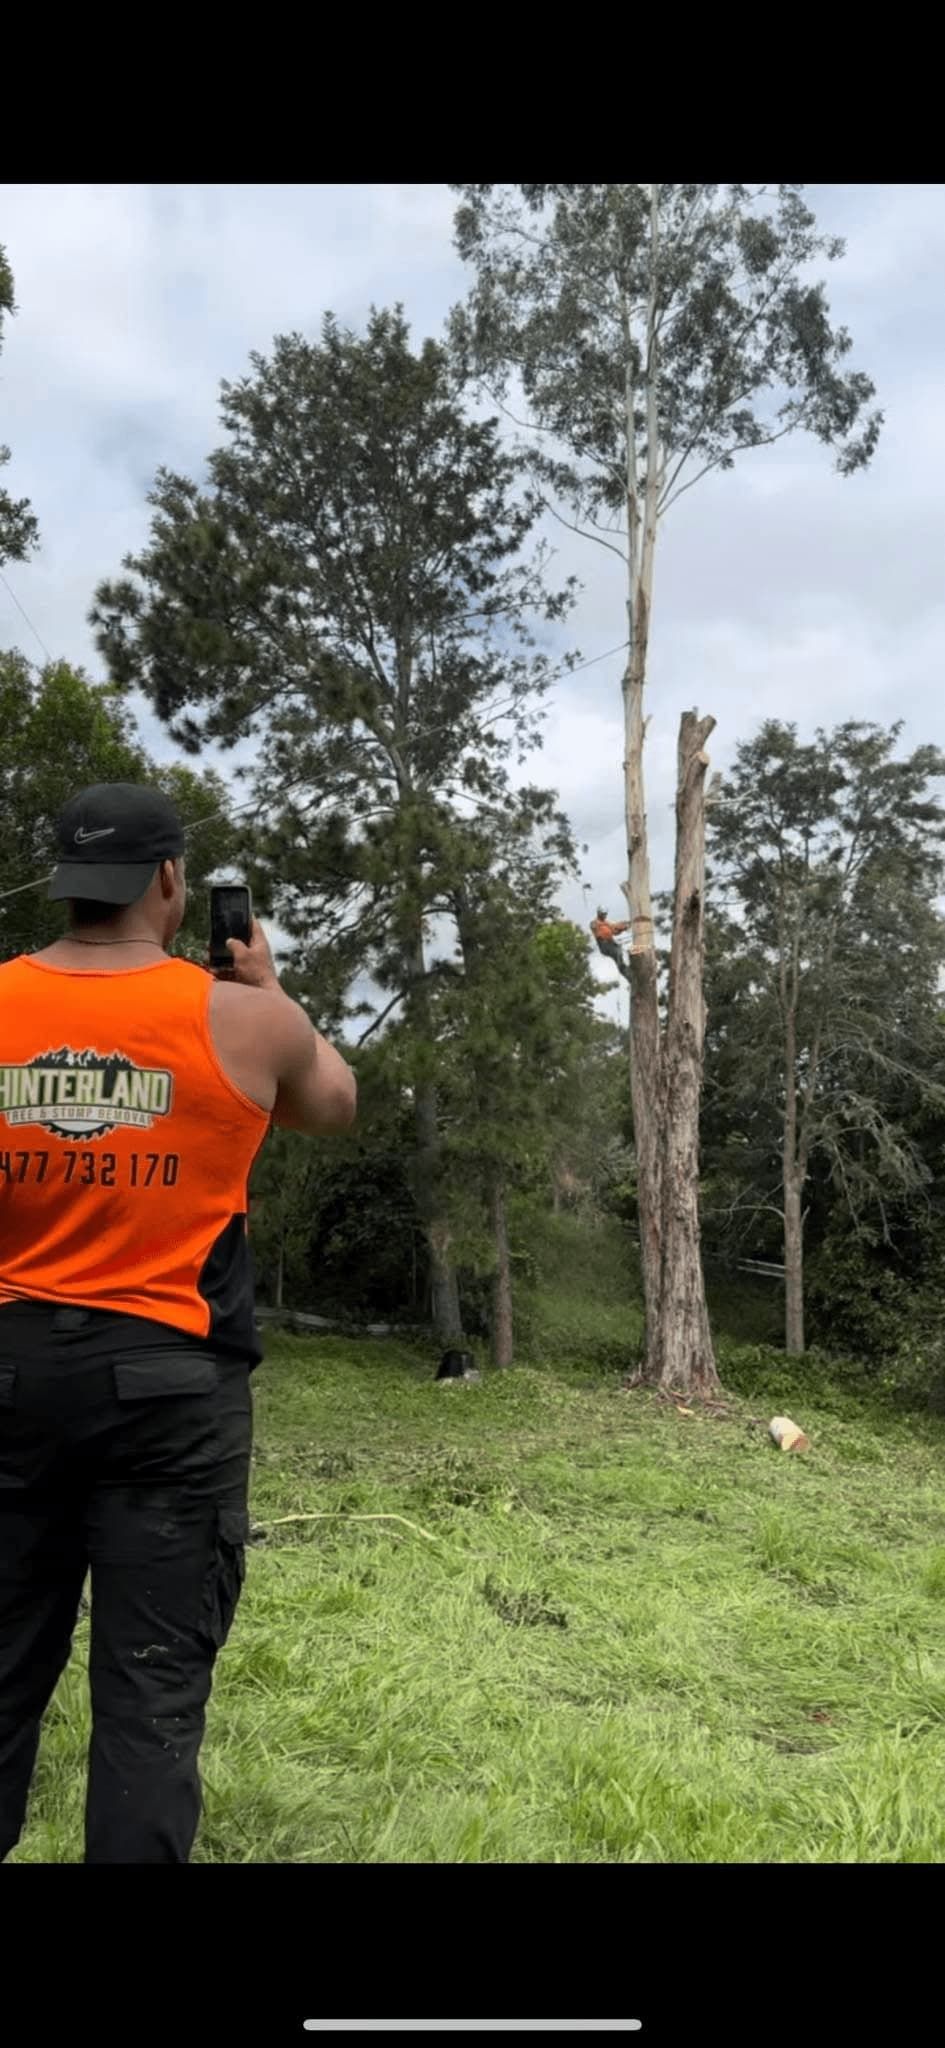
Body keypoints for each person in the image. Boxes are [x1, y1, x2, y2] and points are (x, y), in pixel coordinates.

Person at [0, 781, 356, 1864]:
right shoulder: (249, 1020)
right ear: (169, 882)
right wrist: (272, 986)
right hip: (170, 1392)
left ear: (67, 881)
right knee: (152, 1695)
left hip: (10, 1377)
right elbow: (332, 1104)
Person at [589, 906, 632, 983]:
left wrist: (622, 928)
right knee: (618, 952)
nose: (605, 916)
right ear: (599, 913)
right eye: (603, 914)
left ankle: (629, 975)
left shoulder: (606, 923)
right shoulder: (594, 923)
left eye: (605, 914)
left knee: (620, 957)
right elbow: (602, 933)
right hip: (605, 946)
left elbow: (614, 931)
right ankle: (626, 970)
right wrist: (617, 927)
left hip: (611, 944)